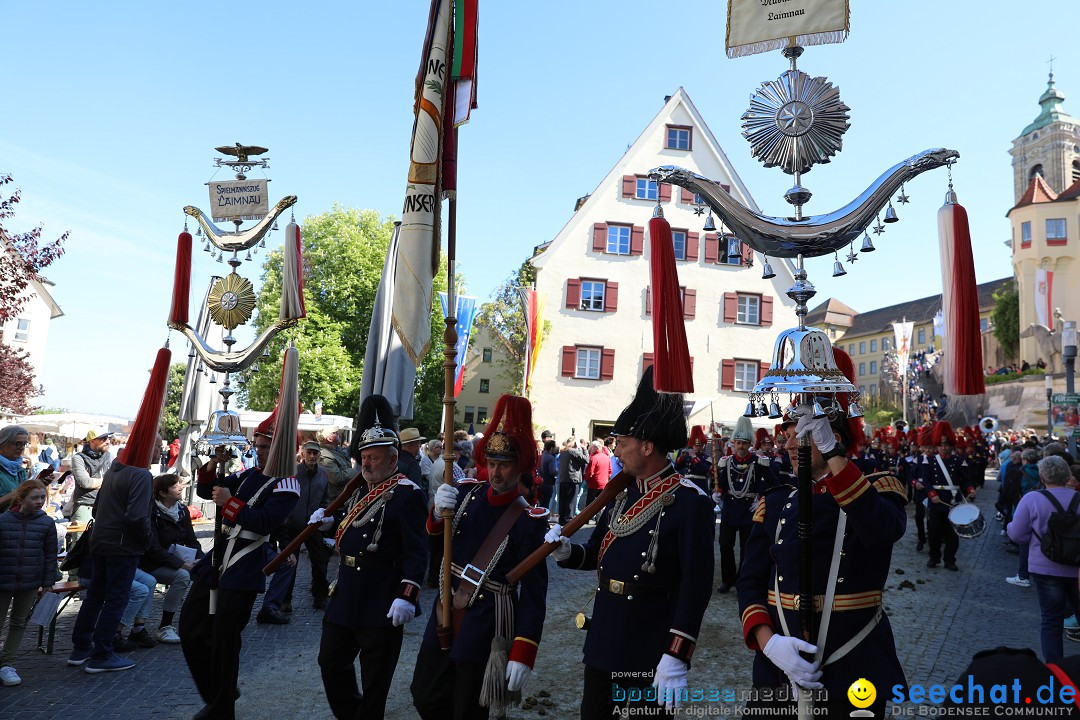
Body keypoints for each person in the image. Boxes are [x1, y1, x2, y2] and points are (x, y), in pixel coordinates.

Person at [736, 347, 908, 718]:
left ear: (830, 433)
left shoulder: (879, 486)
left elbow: (881, 530)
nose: (786, 442)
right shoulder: (777, 501)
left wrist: (834, 455)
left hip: (852, 664)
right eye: (786, 432)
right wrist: (769, 644)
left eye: (799, 431)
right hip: (778, 667)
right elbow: (749, 582)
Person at [546, 367, 714, 717]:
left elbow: (696, 587)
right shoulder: (621, 492)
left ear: (647, 446)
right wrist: (567, 551)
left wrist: (677, 652)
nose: (616, 451)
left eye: (621, 444)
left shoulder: (689, 503)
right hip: (605, 633)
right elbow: (596, 552)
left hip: (649, 643)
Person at [411, 394, 548, 720]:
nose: (496, 473)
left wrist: (524, 649)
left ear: (521, 467)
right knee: (425, 694)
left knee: (468, 708)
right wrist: (436, 509)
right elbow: (434, 534)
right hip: (445, 607)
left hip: (488, 622)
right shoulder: (466, 492)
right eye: (492, 463)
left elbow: (534, 594)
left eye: (505, 465)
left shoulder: (530, 521)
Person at [179, 412, 300, 720]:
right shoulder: (248, 475)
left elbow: (265, 522)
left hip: (244, 562)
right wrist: (213, 464)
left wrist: (230, 502)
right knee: (191, 628)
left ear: (279, 450)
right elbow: (209, 491)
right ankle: (219, 693)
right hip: (217, 557)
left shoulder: (287, 483)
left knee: (224, 639)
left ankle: (222, 708)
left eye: (265, 446)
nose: (258, 450)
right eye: (258, 445)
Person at [316, 395, 428, 720]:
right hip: (347, 592)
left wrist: (407, 595)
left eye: (374, 459)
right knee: (331, 661)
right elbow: (351, 526)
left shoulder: (407, 494)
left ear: (392, 460)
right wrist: (327, 523)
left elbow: (417, 551)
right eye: (364, 458)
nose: (366, 465)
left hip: (382, 595)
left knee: (375, 678)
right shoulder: (359, 489)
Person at [67, 432, 155, 673]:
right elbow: (137, 517)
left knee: (96, 595)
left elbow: (97, 508)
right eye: (156, 445)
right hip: (122, 546)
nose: (159, 450)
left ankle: (82, 647)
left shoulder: (115, 471)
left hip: (101, 542)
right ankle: (102, 653)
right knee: (116, 597)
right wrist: (147, 539)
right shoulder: (141, 475)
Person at [1007, 455, 1080, 664]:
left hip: (1046, 568)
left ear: (1042, 476)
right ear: (1067, 475)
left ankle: (1056, 672)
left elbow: (1017, 535)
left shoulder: (1032, 499)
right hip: (1077, 569)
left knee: (1051, 622)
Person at [260, 441, 330, 622]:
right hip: (292, 525)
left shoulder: (323, 474)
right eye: (310, 453)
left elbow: (325, 499)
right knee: (290, 562)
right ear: (303, 453)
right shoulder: (293, 473)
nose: (312, 456)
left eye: (316, 453)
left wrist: (322, 513)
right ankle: (285, 599)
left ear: (319, 455)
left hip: (313, 525)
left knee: (320, 561)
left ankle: (320, 596)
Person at [0, 480, 56, 686]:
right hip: (3, 579)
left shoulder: (47, 523)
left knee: (19, 622)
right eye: (35, 498)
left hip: (29, 580)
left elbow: (50, 555)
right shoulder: (3, 521)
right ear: (21, 499)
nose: (40, 501)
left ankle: (7, 663)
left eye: (43, 497)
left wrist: (47, 583)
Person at [714, 415, 778, 594]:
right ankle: (727, 579)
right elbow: (721, 483)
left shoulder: (759, 462)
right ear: (733, 443)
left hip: (750, 509)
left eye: (744, 443)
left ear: (750, 443)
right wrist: (717, 492)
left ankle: (743, 580)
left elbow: (773, 482)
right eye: (738, 443)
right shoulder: (727, 462)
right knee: (725, 545)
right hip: (729, 509)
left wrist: (761, 498)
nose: (741, 447)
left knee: (746, 548)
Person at [140, 473, 202, 644]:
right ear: (163, 493)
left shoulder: (182, 510)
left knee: (205, 572)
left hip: (176, 559)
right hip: (150, 562)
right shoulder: (151, 511)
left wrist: (200, 559)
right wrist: (181, 565)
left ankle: (200, 620)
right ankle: (165, 626)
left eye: (180, 484)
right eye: (175, 486)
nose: (181, 487)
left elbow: (191, 539)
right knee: (182, 576)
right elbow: (153, 548)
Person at [924, 421, 976, 571]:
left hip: (953, 501)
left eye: (946, 445)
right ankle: (934, 557)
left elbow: (966, 480)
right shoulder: (931, 461)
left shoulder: (959, 461)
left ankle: (950, 560)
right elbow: (926, 480)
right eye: (941, 445)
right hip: (936, 500)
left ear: (951, 445)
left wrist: (970, 489)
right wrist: (932, 494)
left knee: (952, 534)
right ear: (937, 446)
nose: (944, 447)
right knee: (934, 532)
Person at [70, 430, 115, 526]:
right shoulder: (79, 458)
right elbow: (85, 482)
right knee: (82, 540)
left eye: (108, 438)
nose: (108, 441)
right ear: (92, 441)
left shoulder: (109, 457)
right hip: (85, 506)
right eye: (103, 439)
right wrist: (106, 481)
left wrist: (96, 483)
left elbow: (115, 480)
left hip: (105, 506)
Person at [556, 436, 586, 523]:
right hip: (573, 479)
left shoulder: (563, 452)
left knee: (563, 500)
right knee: (571, 500)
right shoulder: (573, 451)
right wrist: (584, 449)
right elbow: (586, 459)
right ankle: (568, 519)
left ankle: (561, 519)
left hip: (563, 478)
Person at [583, 440, 610, 507]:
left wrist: (587, 480)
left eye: (591, 447)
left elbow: (590, 472)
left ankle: (589, 517)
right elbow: (610, 471)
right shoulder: (606, 457)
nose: (590, 449)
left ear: (595, 448)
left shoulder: (593, 458)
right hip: (604, 483)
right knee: (600, 504)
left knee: (590, 505)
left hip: (594, 484)